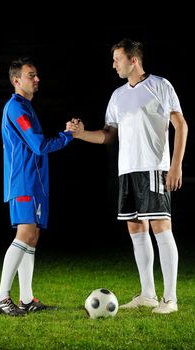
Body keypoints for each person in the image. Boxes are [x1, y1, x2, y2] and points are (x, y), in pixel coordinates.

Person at [67, 38, 188, 314]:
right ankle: (148, 294)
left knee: (161, 227)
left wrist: (176, 165)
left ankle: (170, 299)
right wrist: (80, 133)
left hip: (154, 168)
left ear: (133, 60)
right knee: (135, 228)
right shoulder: (117, 96)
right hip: (127, 171)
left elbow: (180, 125)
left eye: (117, 59)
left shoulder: (160, 86)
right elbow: (109, 136)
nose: (114, 65)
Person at [0, 56, 78, 316]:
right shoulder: (16, 108)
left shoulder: (25, 107)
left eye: (36, 74)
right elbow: (39, 145)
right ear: (16, 80)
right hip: (24, 183)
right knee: (24, 235)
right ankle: (2, 298)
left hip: (35, 183)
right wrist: (68, 134)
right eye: (31, 75)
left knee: (32, 237)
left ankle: (27, 299)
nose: (37, 79)